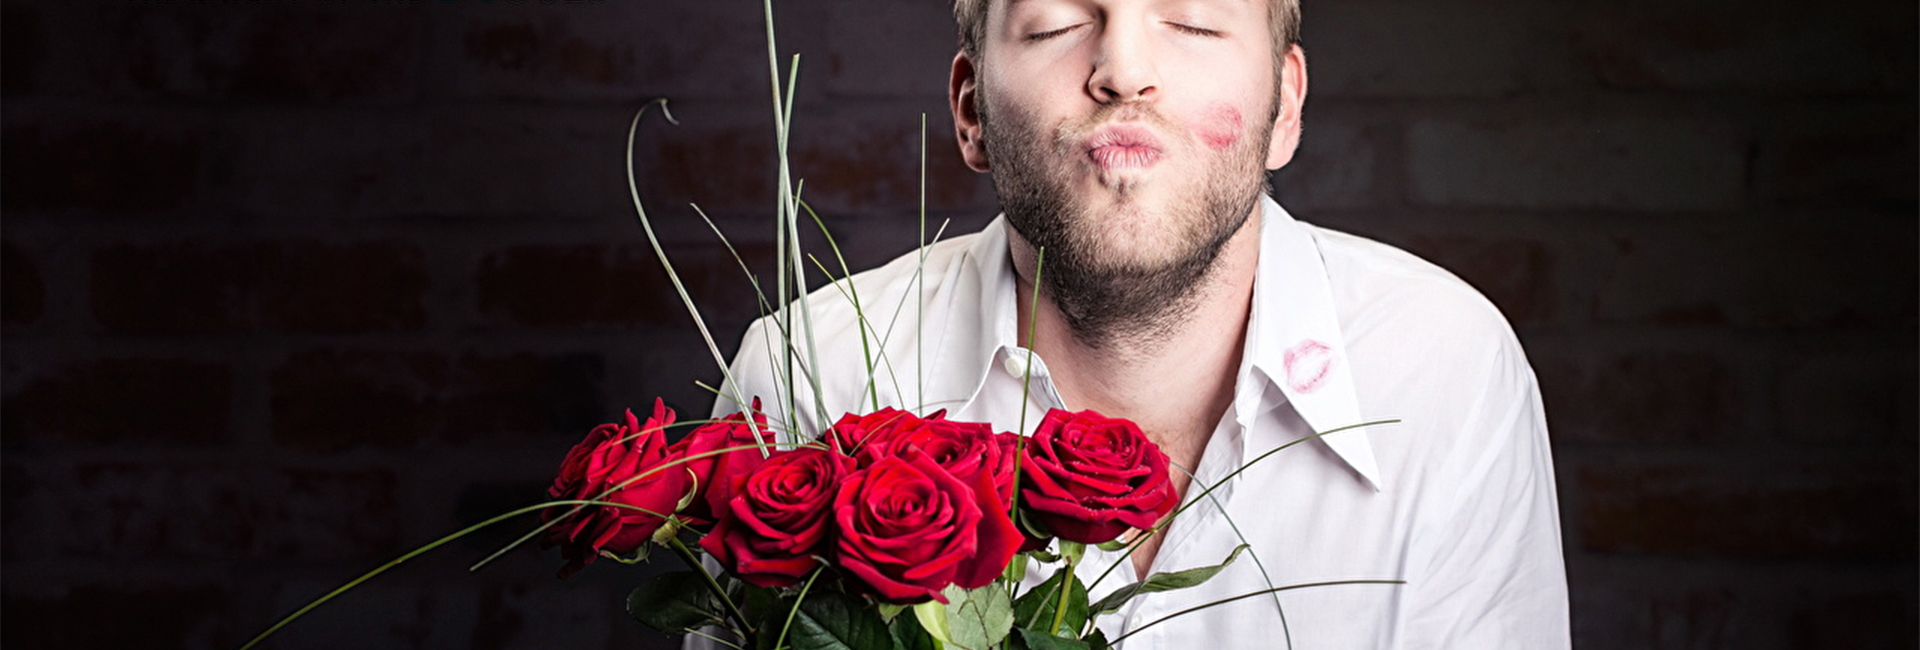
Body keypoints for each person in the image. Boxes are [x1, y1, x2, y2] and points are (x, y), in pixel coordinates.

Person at [708, 0, 1572, 647]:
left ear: (1286, 105)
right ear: (970, 111)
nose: (1123, 69)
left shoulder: (1445, 370)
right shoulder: (804, 379)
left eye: (1192, 21)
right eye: (1052, 23)